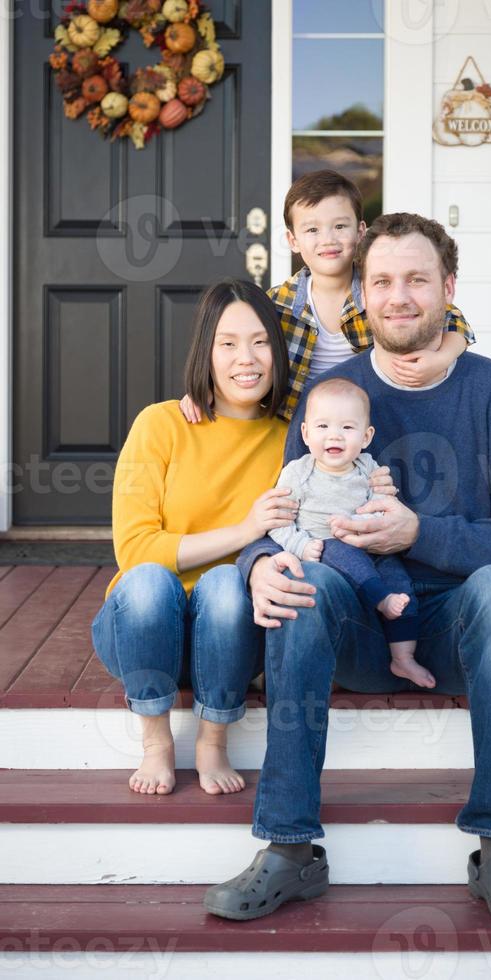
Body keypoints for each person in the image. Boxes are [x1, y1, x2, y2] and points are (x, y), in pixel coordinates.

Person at [203, 214, 491, 925]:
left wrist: (418, 532)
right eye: (382, 281)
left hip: (460, 634)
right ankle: (289, 847)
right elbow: (285, 512)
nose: (398, 296)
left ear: (448, 288)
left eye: (416, 279)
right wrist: (255, 566)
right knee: (301, 580)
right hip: (359, 634)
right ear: (362, 297)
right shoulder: (331, 396)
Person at [91, 279, 294, 797]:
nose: (245, 359)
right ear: (205, 352)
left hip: (229, 636)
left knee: (228, 583)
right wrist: (245, 529)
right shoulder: (161, 424)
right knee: (149, 582)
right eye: (226, 343)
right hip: (142, 630)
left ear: (278, 348)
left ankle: (212, 740)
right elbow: (135, 550)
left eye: (259, 341)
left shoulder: (291, 440)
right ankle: (156, 742)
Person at [179, 169, 476, 424]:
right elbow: (237, 345)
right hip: (300, 425)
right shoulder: (277, 302)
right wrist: (205, 388)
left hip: (369, 423)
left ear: (360, 231)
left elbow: (454, 320)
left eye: (340, 226)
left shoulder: (379, 293)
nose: (328, 239)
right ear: (292, 240)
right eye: (312, 229)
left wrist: (442, 357)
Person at [268, 376, 435, 689]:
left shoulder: (368, 468)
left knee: (401, 581)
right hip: (325, 550)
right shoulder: (299, 472)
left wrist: (375, 518)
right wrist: (302, 546)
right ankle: (381, 600)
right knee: (341, 550)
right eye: (323, 427)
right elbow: (279, 521)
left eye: (347, 428)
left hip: (371, 548)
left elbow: (383, 504)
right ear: (305, 433)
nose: (335, 436)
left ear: (366, 436)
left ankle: (403, 656)